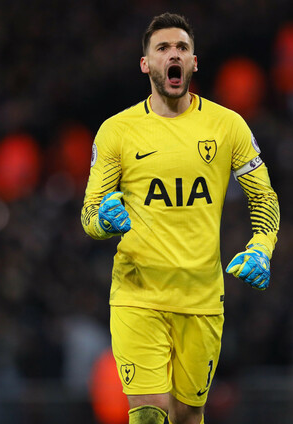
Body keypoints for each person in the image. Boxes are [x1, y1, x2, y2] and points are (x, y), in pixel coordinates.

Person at [81, 12, 280, 424]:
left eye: (182, 48)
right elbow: (89, 212)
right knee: (149, 411)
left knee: (188, 414)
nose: (173, 54)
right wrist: (104, 222)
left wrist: (262, 247)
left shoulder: (228, 126)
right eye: (163, 48)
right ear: (145, 63)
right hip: (138, 293)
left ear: (194, 62)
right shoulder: (116, 131)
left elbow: (263, 197)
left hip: (201, 296)